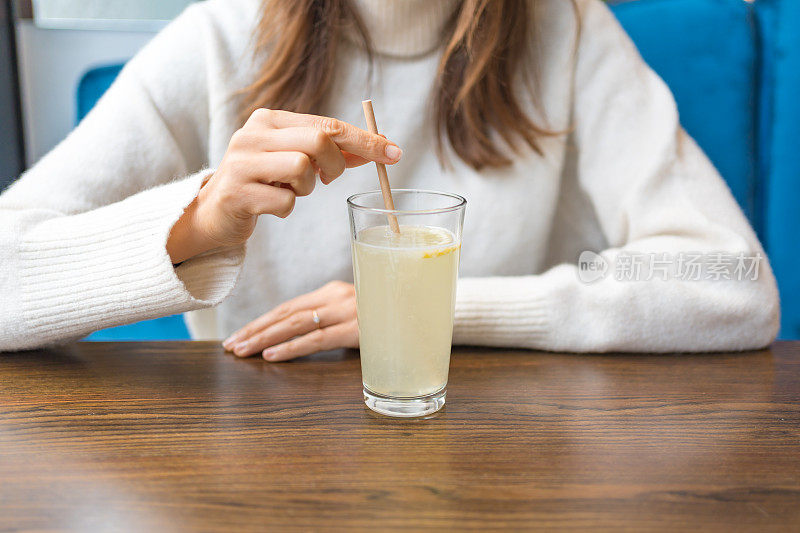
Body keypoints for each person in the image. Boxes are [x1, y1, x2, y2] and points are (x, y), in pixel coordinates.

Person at [0, 0, 779, 356]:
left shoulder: (567, 29)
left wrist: (434, 310)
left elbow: (734, 280)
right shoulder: (219, 37)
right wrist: (199, 223)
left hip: (501, 462)